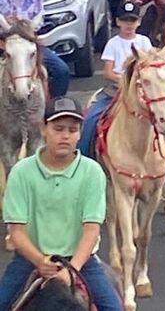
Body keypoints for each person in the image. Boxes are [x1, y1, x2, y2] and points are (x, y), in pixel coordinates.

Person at [0, 97, 123, 310]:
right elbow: (16, 231)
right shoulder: (22, 172)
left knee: (114, 308)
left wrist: (72, 269)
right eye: (58, 129)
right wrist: (40, 261)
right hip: (30, 258)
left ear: (79, 133)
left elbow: (91, 230)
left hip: (81, 261)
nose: (65, 136)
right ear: (43, 128)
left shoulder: (92, 172)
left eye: (72, 130)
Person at [77, 2, 165, 183]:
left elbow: (153, 64)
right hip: (116, 89)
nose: (128, 25)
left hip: (144, 89)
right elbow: (108, 71)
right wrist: (125, 81)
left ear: (138, 22)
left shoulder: (144, 42)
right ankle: (83, 162)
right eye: (124, 21)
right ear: (118, 22)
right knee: (91, 118)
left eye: (132, 20)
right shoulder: (113, 43)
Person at [0, 0, 70, 97]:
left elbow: (39, 12)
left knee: (61, 70)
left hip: (28, 39)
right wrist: (6, 25)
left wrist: (28, 26)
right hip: (3, 40)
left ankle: (51, 107)